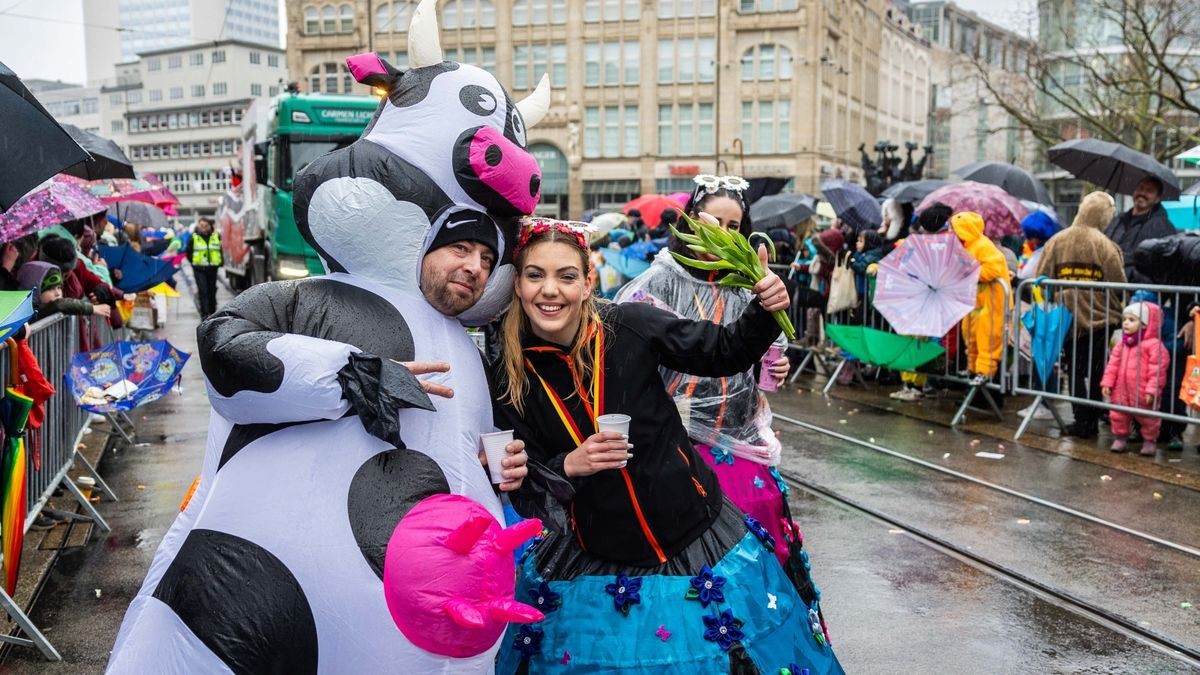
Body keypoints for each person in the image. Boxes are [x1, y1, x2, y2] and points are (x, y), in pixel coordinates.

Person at [110, 20, 554, 672]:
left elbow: (464, 456)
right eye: (460, 245)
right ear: (425, 237)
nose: (472, 266)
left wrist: (503, 473)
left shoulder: (470, 349)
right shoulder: (315, 297)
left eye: (488, 254)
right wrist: (350, 374)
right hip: (258, 600)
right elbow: (227, 349)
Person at [490, 220, 841, 674]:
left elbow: (722, 351)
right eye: (535, 275)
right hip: (594, 559)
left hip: (694, 535)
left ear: (588, 281)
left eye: (566, 276)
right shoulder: (509, 375)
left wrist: (762, 308)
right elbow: (524, 483)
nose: (549, 290)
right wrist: (569, 464)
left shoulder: (629, 326)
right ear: (517, 283)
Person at [615, 175, 799, 569]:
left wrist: (775, 364)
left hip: (737, 440)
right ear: (692, 222)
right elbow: (625, 353)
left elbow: (759, 359)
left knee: (753, 537)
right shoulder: (657, 282)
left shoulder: (751, 287)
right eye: (715, 222)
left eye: (735, 226)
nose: (725, 234)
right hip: (676, 445)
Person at [1036, 191, 1127, 438]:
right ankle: (1093, 417)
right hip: (1100, 319)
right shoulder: (1106, 245)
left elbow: (1042, 276)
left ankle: (1081, 419)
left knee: (1074, 369)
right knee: (1097, 370)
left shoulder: (1057, 240)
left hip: (1068, 318)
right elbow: (1119, 283)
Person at [888, 203, 954, 401]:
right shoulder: (942, 243)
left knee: (915, 343)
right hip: (922, 300)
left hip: (920, 301)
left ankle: (915, 385)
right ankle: (916, 384)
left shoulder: (927, 244)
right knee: (918, 343)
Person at [949, 212, 1010, 385]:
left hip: (991, 301)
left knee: (987, 337)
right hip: (975, 301)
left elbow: (993, 269)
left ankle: (985, 371)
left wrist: (967, 273)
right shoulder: (965, 246)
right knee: (970, 334)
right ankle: (973, 368)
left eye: (954, 228)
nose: (951, 231)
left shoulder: (982, 245)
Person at [1101, 302, 1169, 456]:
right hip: (1121, 390)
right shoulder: (1122, 344)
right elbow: (1112, 364)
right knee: (1118, 415)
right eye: (1125, 319)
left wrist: (1152, 390)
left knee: (1149, 418)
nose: (1126, 323)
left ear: (1146, 324)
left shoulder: (1154, 346)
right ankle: (1120, 437)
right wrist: (1107, 382)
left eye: (1132, 320)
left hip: (1143, 391)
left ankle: (1150, 441)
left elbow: (1157, 371)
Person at [1105, 176, 1177, 283]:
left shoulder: (1162, 226)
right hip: (1108, 286)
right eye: (1140, 188)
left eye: (1149, 191)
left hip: (1138, 293)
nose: (1142, 193)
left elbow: (1159, 266)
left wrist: (1128, 277)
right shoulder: (1117, 221)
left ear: (1157, 198)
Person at [15, 261, 111, 321]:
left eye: (59, 287)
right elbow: (59, 304)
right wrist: (92, 309)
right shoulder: (28, 313)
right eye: (50, 289)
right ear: (35, 290)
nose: (58, 293)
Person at [187, 217, 222, 319]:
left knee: (212, 291)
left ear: (210, 226)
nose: (203, 228)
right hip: (199, 269)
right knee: (203, 291)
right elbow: (188, 252)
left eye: (206, 226)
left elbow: (219, 250)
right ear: (198, 226)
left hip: (212, 268)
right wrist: (194, 263)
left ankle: (213, 313)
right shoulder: (194, 238)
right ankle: (204, 314)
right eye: (201, 226)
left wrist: (220, 262)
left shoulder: (216, 236)